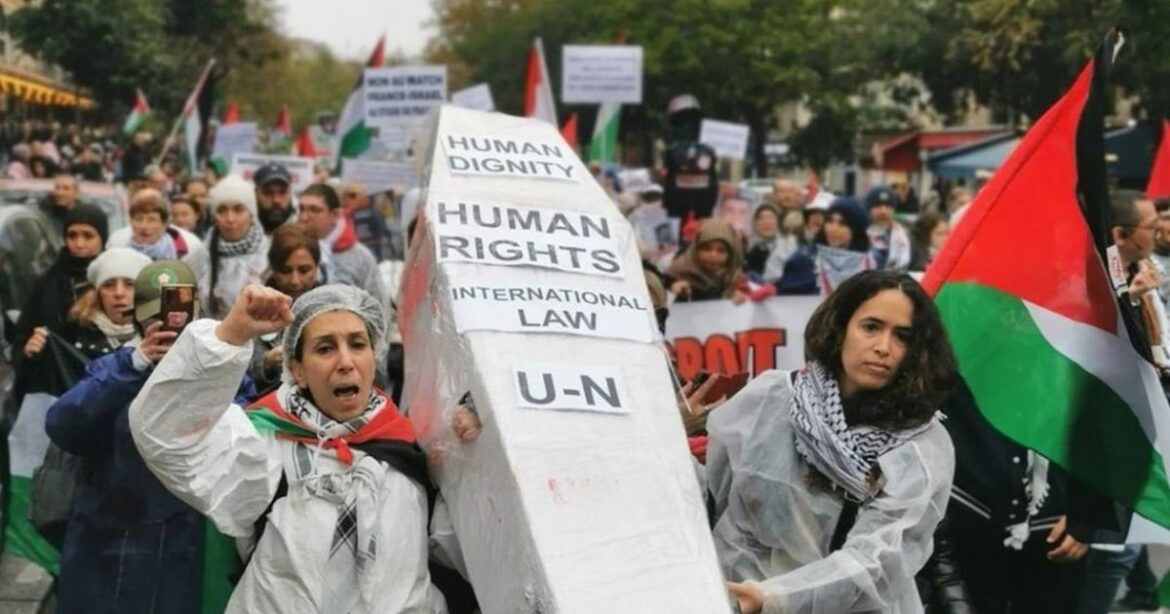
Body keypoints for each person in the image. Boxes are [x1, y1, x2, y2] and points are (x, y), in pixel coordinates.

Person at [129, 284, 448, 612]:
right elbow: (163, 436)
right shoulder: (262, 441)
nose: (345, 362)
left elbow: (468, 544)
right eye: (325, 349)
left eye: (357, 344)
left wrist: (478, 443)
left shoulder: (416, 445)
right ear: (298, 370)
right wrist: (230, 335)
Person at [710, 270, 958, 613]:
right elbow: (720, 501)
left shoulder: (920, 445)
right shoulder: (772, 399)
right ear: (840, 328)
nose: (883, 347)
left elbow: (881, 559)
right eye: (871, 327)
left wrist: (777, 598)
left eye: (902, 336)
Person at [47, 259, 255, 614]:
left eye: (177, 319)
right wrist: (133, 364)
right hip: (107, 548)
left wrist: (204, 368)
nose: (167, 329)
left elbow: (245, 437)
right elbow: (63, 423)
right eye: (154, 318)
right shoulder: (112, 368)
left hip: (186, 547)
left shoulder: (218, 373)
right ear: (138, 320)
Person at [13, 203, 108, 368]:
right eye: (72, 236)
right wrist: (29, 349)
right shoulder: (48, 281)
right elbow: (22, 337)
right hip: (58, 378)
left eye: (88, 236)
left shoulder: (114, 278)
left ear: (102, 237)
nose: (79, 244)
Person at [251, 224, 321, 395]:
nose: (295, 281)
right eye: (286, 271)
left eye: (304, 270)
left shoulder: (334, 306)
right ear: (273, 269)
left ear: (317, 266)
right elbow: (236, 367)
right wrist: (266, 362)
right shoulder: (256, 307)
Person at [189, 174, 269, 319]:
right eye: (222, 210)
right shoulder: (198, 256)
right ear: (214, 216)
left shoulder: (269, 253)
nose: (230, 218)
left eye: (238, 210)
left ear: (251, 214)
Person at [297, 183, 384, 301]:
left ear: (335, 214)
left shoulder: (360, 256)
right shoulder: (288, 247)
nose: (304, 217)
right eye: (301, 209)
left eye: (314, 210)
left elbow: (378, 305)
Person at [62, 248, 152, 358]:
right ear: (98, 293)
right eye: (108, 285)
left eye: (129, 284)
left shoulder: (160, 333)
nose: (119, 293)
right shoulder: (74, 336)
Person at [662, 95, 719, 222]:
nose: (687, 125)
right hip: (677, 203)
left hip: (703, 201)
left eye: (691, 120)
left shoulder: (708, 150)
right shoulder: (672, 151)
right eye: (681, 120)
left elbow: (712, 175)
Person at [107, 188, 203, 260]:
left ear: (165, 223)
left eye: (152, 220)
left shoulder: (189, 246)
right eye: (138, 219)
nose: (144, 226)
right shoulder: (116, 243)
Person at [665, 219, 747, 302]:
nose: (713, 255)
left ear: (730, 255)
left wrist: (741, 297)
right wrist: (673, 286)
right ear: (696, 249)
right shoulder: (679, 272)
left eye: (721, 250)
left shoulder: (735, 277)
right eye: (707, 249)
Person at [865, 186, 911, 271]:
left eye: (888, 206)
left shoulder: (902, 236)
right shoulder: (860, 234)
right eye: (878, 206)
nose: (883, 211)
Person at [254, 162, 296, 234]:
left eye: (282, 192)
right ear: (256, 193)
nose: (276, 200)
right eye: (268, 193)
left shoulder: (303, 232)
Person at [745, 204, 781, 278]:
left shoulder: (786, 247)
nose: (767, 222)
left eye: (771, 217)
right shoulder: (747, 248)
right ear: (755, 224)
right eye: (761, 218)